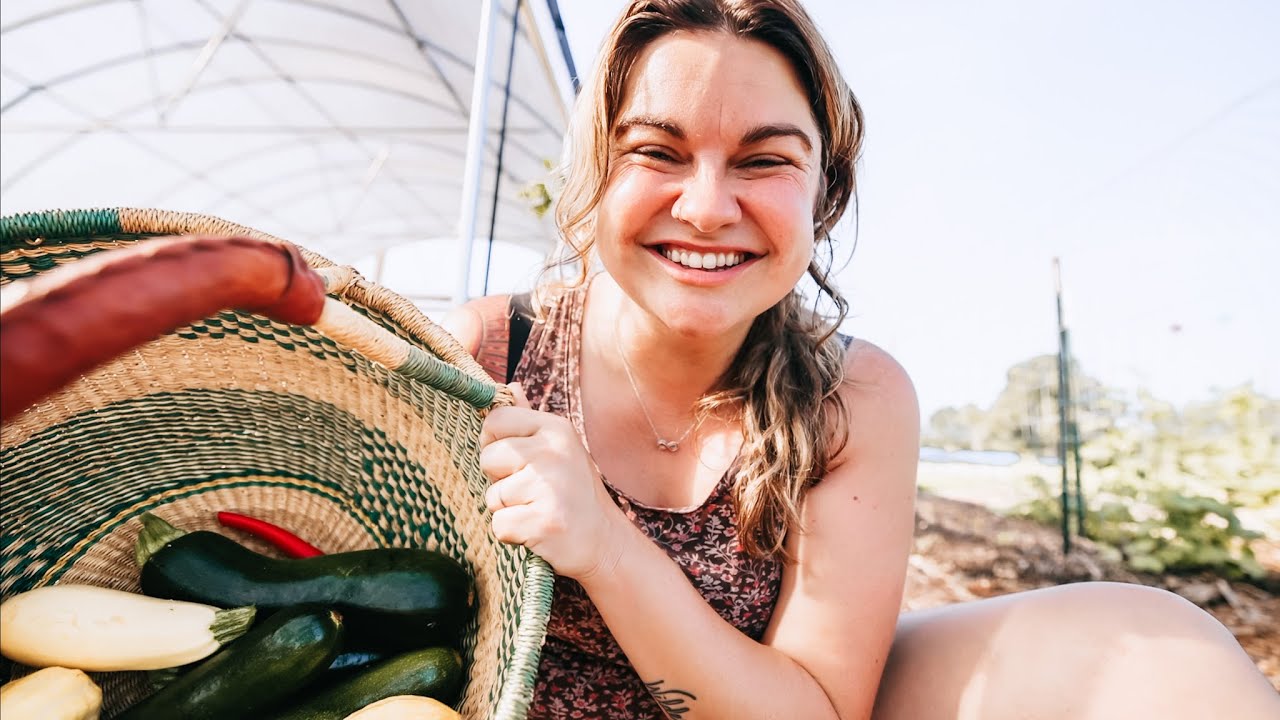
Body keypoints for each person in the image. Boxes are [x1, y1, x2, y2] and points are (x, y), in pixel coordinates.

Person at [444, 1, 1280, 717]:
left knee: (1176, 651)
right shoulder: (484, 356)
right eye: (657, 152)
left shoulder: (850, 399)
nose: (705, 208)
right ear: (596, 173)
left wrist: (605, 545)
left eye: (764, 160)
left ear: (824, 192)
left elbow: (816, 707)